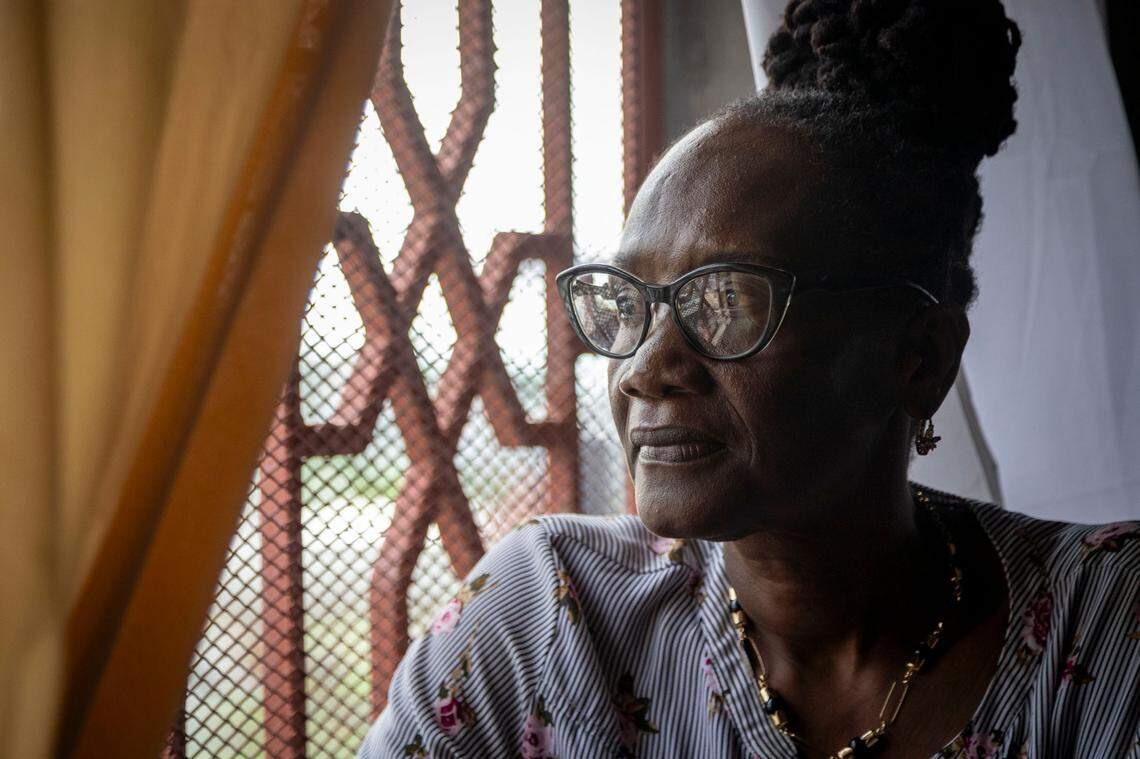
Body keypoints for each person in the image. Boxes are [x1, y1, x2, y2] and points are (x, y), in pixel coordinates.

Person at [359, 0, 1140, 756]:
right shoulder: (546, 619)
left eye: (726, 299)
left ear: (920, 359)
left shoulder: (1107, 627)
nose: (644, 370)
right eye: (628, 303)